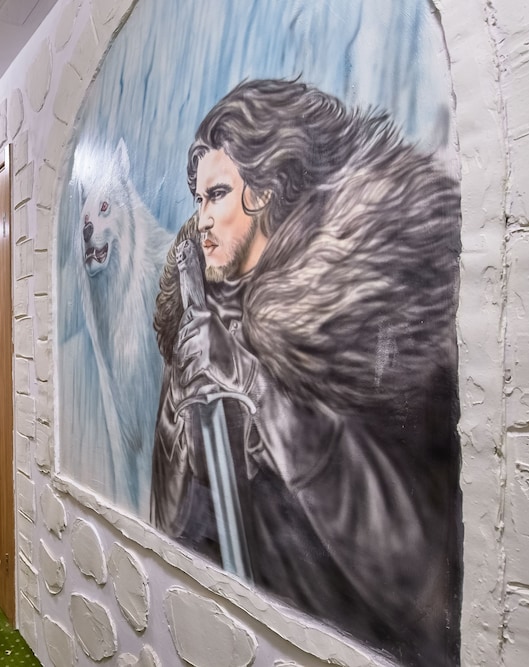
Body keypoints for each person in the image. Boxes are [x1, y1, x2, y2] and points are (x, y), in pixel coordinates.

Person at [151, 79, 462, 666]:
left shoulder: (356, 311)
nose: (202, 219)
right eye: (198, 199)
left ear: (267, 190)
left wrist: (255, 386)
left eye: (217, 194)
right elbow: (183, 515)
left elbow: (413, 566)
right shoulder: (203, 311)